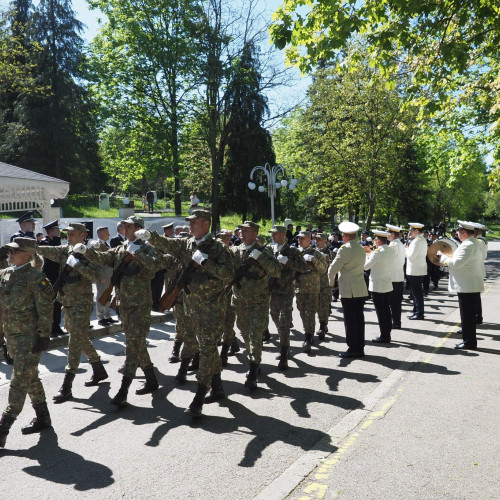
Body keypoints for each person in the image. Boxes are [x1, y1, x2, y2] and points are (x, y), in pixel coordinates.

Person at [139, 210, 234, 417]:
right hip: (192, 307)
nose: (190, 226)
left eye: (194, 223)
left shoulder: (218, 248)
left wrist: (206, 262)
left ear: (206, 225)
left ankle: (198, 398)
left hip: (212, 308)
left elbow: (228, 275)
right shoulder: (187, 244)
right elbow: (168, 244)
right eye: (189, 223)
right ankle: (217, 389)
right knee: (207, 348)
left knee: (207, 348)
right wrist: (150, 236)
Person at [85, 216, 167, 406]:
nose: (124, 229)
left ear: (138, 228)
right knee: (136, 343)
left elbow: (155, 267)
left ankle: (123, 389)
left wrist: (138, 253)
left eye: (128, 226)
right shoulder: (121, 248)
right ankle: (152, 379)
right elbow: (103, 258)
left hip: (140, 305)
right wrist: (87, 250)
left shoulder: (146, 248)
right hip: (123, 305)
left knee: (132, 346)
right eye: (123, 226)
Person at [36, 223, 108, 402]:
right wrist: (24, 246)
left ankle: (67, 386)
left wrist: (77, 265)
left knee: (74, 342)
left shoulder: (89, 252)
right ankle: (98, 368)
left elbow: (97, 275)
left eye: (73, 234)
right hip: (67, 303)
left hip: (82, 305)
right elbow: (43, 249)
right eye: (67, 233)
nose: (68, 236)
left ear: (83, 235)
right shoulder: (64, 250)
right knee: (80, 337)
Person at [0, 238, 53, 449]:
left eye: (16, 251)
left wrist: (44, 335)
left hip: (29, 338)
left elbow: (46, 310)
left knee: (18, 380)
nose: (10, 254)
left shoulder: (36, 279)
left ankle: (3, 427)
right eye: (10, 251)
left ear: (28, 255)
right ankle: (43, 417)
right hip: (12, 337)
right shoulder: (4, 275)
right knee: (29, 377)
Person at [230, 221, 281, 387]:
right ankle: (255, 361)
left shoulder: (263, 252)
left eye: (247, 230)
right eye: (241, 230)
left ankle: (253, 371)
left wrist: (261, 260)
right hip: (239, 300)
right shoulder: (235, 250)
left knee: (255, 334)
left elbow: (277, 271)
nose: (242, 233)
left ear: (255, 233)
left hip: (258, 301)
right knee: (244, 331)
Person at [438, 221, 484, 350]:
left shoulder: (468, 245)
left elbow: (457, 263)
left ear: (464, 232)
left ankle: (469, 342)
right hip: (469, 284)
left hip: (467, 286)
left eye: (458, 231)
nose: (456, 233)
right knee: (468, 315)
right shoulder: (472, 243)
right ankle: (469, 340)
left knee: (467, 316)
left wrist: (443, 258)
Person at [268, 226, 308, 369]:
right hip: (272, 291)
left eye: (275, 234)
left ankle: (284, 354)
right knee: (274, 317)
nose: (272, 237)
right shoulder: (270, 249)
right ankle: (284, 342)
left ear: (283, 235)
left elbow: (303, 267)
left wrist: (287, 261)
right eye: (272, 234)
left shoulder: (292, 251)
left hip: (286, 291)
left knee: (284, 322)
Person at [328, 222, 368, 358]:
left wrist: (332, 284)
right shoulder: (361, 248)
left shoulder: (344, 249)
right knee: (359, 319)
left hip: (348, 289)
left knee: (350, 321)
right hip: (360, 288)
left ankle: (352, 348)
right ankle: (360, 347)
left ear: (345, 236)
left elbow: (332, 270)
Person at [295, 230, 328, 353]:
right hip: (299, 288)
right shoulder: (296, 252)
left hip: (313, 289)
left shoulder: (316, 253)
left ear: (309, 239)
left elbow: (323, 269)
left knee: (310, 312)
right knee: (302, 312)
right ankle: (308, 332)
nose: (299, 240)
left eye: (302, 238)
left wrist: (313, 260)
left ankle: (308, 337)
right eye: (298, 238)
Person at [364, 230, 394, 343]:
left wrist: (367, 255)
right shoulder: (390, 250)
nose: (374, 241)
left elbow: (366, 267)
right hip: (386, 283)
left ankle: (384, 335)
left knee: (380, 311)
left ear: (378, 240)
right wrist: (370, 253)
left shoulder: (377, 252)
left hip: (377, 285)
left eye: (375, 239)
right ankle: (387, 332)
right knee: (386, 309)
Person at [38, 220, 65, 337]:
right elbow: (52, 256)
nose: (58, 232)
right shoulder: (44, 242)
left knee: (57, 302)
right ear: (50, 231)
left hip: (57, 275)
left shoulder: (55, 241)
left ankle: (56, 326)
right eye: (56, 230)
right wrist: (56, 240)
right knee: (48, 302)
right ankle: (48, 328)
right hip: (48, 276)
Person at [93, 226, 117, 326]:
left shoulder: (106, 244)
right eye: (107, 233)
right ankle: (100, 317)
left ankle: (107, 315)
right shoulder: (96, 246)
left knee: (108, 295)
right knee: (101, 296)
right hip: (103, 276)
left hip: (109, 274)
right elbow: (95, 262)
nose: (109, 235)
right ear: (101, 234)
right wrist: (101, 276)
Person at [405, 222, 427, 320]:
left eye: (412, 230)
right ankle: (416, 311)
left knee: (416, 293)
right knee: (415, 292)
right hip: (417, 269)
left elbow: (411, 256)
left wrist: (406, 249)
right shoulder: (420, 240)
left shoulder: (417, 241)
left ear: (416, 231)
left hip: (415, 270)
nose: (410, 232)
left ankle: (419, 313)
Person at [386, 224, 406, 329]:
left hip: (393, 276)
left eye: (388, 234)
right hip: (398, 275)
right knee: (396, 302)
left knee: (393, 302)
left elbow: (388, 259)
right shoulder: (400, 244)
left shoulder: (393, 245)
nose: (387, 236)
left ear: (393, 234)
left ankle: (396, 322)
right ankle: (397, 321)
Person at [315, 233, 334, 340]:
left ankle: (322, 325)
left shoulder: (331, 253)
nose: (317, 241)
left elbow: (335, 267)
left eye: (319, 239)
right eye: (316, 239)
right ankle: (322, 324)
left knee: (324, 304)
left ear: (325, 241)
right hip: (313, 283)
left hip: (325, 283)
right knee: (317, 305)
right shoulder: (312, 252)